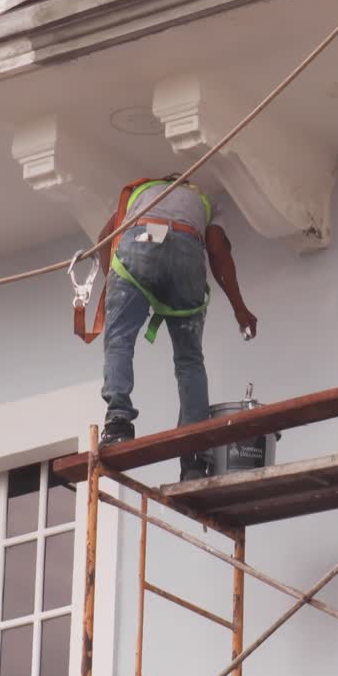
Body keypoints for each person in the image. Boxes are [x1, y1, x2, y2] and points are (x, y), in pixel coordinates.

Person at [96, 176, 258, 481]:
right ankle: (194, 456)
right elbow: (217, 247)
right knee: (189, 360)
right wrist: (240, 308)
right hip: (186, 250)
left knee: (119, 338)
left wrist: (119, 285)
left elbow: (106, 238)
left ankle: (118, 421)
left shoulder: (139, 194)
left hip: (141, 241)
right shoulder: (205, 200)